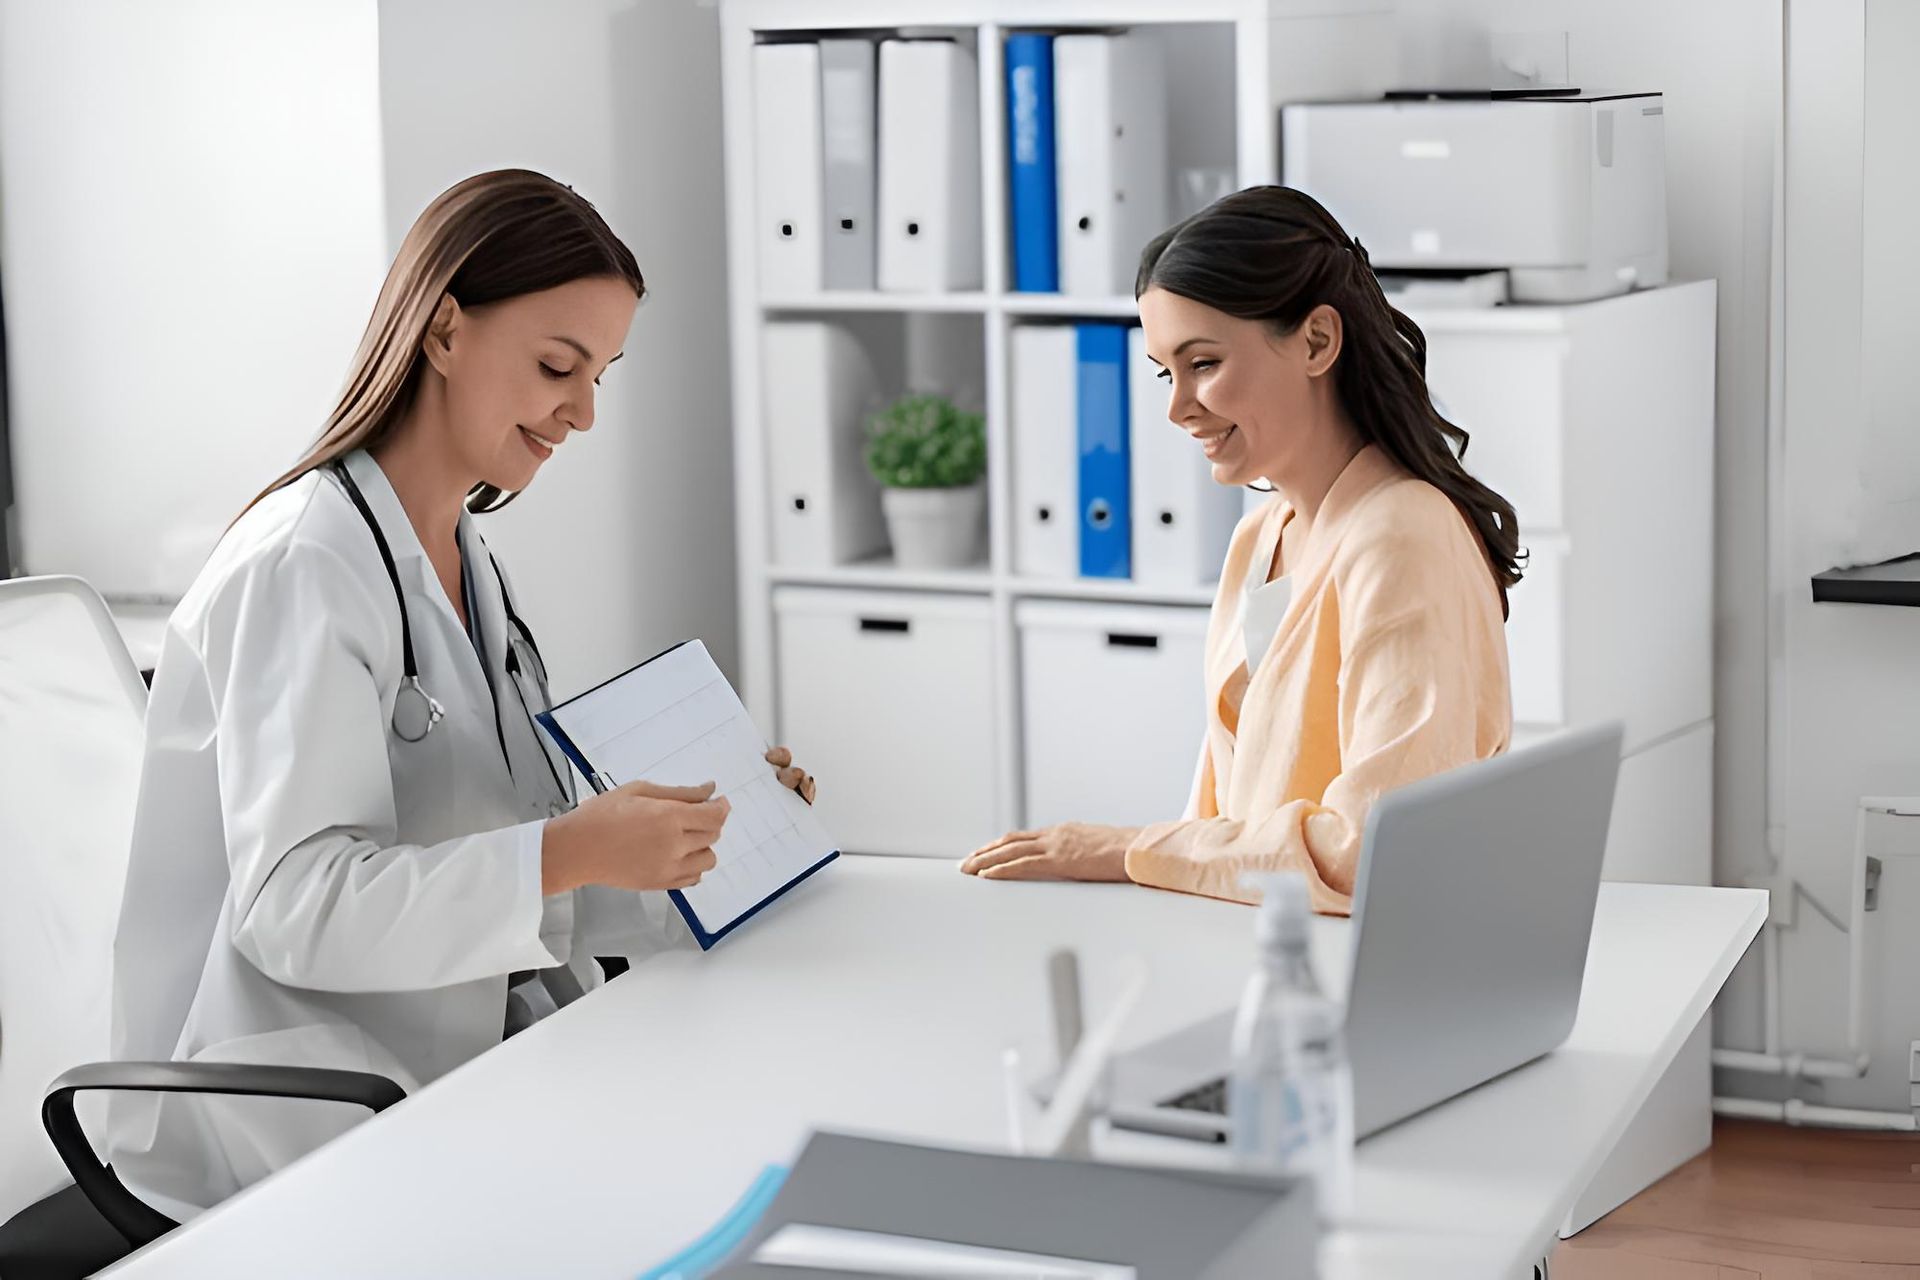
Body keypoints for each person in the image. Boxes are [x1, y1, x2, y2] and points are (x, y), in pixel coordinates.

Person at [106, 169, 815, 1219]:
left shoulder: (460, 555)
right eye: (556, 365)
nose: (580, 411)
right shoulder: (303, 563)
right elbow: (295, 909)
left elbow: (498, 858)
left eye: (601, 376)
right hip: (289, 1117)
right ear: (442, 332)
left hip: (454, 1062)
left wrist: (691, 842)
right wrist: (576, 848)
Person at [963, 186, 1517, 914]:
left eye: (1203, 363)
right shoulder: (1260, 537)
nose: (1176, 406)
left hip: (1362, 971)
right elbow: (1219, 819)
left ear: (1317, 341)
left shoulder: (1403, 535)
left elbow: (1377, 847)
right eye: (1166, 372)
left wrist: (1127, 851)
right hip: (1254, 943)